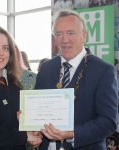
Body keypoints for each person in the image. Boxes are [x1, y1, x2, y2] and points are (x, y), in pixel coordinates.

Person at [35, 10, 118, 150]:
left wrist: (71, 134)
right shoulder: (46, 68)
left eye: (71, 33)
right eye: (59, 34)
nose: (64, 39)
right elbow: (37, 108)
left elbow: (108, 122)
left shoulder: (103, 71)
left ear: (84, 35)